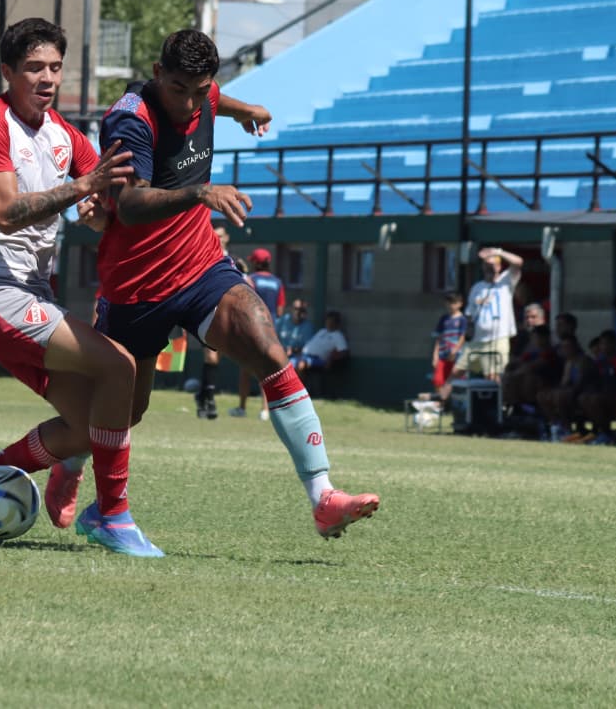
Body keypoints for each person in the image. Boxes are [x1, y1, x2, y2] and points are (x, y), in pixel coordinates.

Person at [62, 28, 379, 540]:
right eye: (178, 88)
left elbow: (213, 99)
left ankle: (323, 495)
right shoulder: (130, 120)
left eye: (199, 89)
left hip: (199, 265)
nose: (189, 102)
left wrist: (245, 109)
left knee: (266, 342)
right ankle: (71, 462)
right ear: (158, 74)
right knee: (127, 408)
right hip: (138, 282)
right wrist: (199, 192)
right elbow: (129, 204)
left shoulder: (203, 93)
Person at [0, 17, 162, 558]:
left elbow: (104, 207)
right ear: (8, 72)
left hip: (31, 296)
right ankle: (113, 517)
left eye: (56, 68)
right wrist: (83, 187)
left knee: (99, 425)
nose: (46, 78)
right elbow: (7, 212)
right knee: (118, 368)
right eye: (34, 67)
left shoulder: (67, 137)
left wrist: (98, 210)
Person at [450, 246, 523, 384]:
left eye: (493, 265)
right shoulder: (477, 287)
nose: (489, 268)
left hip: (497, 338)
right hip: (476, 340)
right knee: (456, 372)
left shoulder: (506, 281)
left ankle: (499, 404)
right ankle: (442, 403)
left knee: (494, 377)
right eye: (487, 265)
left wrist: (498, 252)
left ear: (499, 266)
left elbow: (518, 262)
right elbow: (469, 315)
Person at [230, 247, 285, 420]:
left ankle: (242, 407)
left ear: (254, 263)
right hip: (271, 330)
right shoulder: (277, 282)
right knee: (267, 371)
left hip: (252, 328)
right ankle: (265, 410)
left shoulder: (251, 279)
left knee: (247, 369)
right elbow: (280, 310)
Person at [194, 225, 237, 420]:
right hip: (205, 310)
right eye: (214, 236)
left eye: (220, 236)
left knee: (216, 358)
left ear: (226, 237)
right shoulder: (203, 257)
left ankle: (203, 395)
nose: (217, 239)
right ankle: (209, 399)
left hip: (225, 313)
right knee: (211, 356)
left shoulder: (232, 261)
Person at [290, 311, 350, 376]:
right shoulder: (322, 331)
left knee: (301, 364)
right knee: (286, 364)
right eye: (327, 320)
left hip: (319, 359)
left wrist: (331, 358)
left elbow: (344, 352)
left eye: (331, 321)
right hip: (304, 355)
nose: (328, 323)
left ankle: (299, 386)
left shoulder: (338, 335)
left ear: (336, 323)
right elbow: (311, 344)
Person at [431, 292, 466, 400]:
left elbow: (463, 337)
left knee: (457, 382)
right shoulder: (444, 319)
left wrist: (455, 350)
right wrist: (435, 355)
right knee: (438, 380)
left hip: (457, 356)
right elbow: (438, 337)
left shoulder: (462, 319)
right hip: (443, 355)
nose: (451, 306)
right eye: (448, 303)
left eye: (454, 303)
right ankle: (441, 404)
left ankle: (457, 404)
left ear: (460, 304)